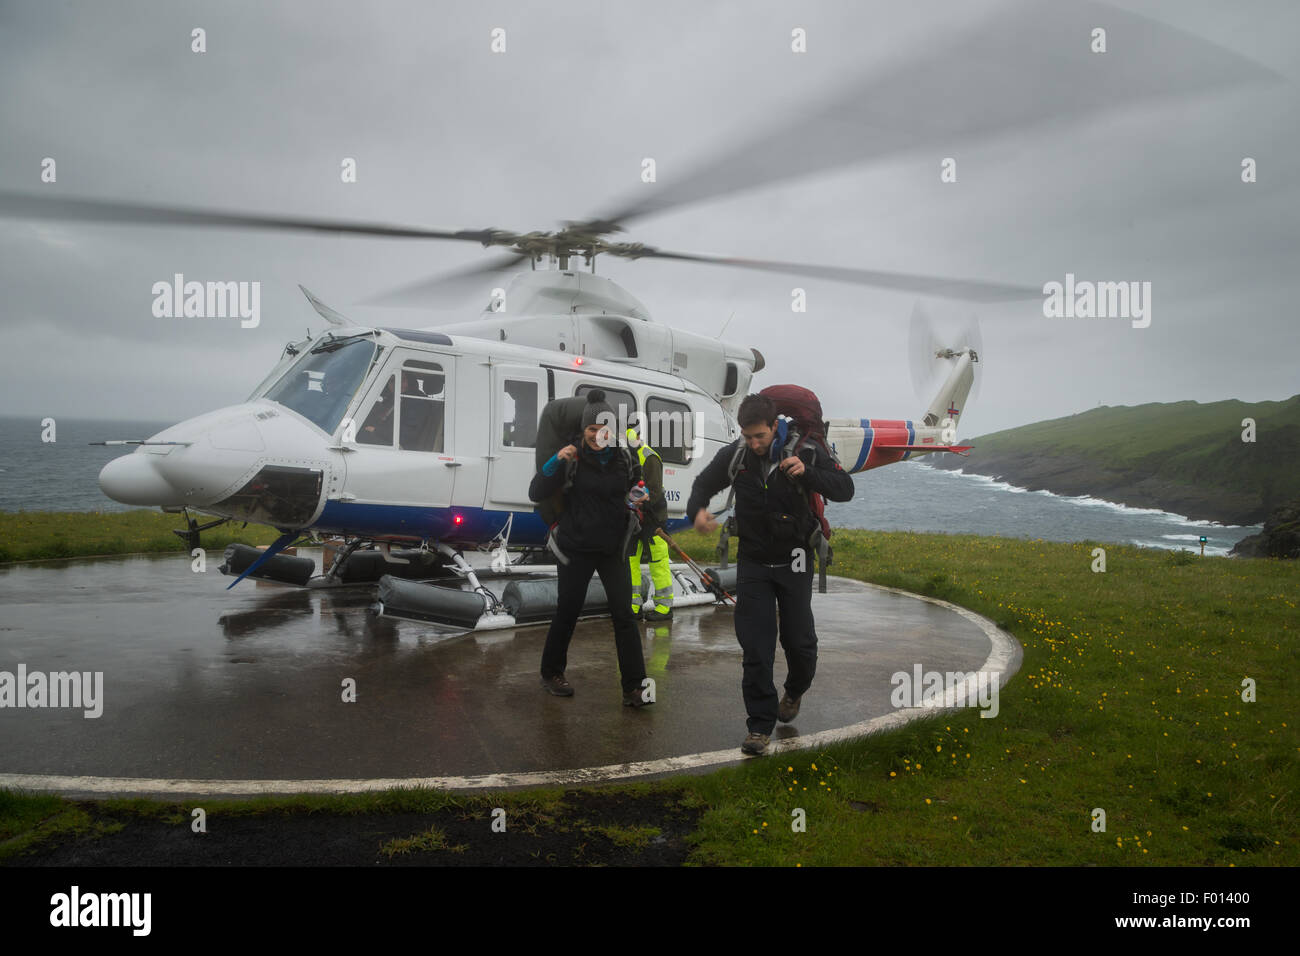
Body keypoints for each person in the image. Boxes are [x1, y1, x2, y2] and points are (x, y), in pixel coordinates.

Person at [686, 393, 854, 755]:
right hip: (754, 562)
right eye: (748, 437)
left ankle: (794, 690)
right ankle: (759, 727)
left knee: (800, 642)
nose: (754, 444)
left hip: (795, 557)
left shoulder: (806, 451)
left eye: (760, 436)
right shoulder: (737, 455)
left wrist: (808, 472)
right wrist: (696, 512)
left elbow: (846, 489)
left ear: (775, 426)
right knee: (756, 648)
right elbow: (702, 484)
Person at [528, 391, 651, 707]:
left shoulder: (625, 458)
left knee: (624, 614)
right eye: (591, 429)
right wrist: (556, 461)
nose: (598, 435)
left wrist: (640, 496)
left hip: (613, 548)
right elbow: (536, 491)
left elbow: (635, 489)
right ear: (583, 430)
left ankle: (634, 687)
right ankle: (551, 673)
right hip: (575, 548)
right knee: (568, 611)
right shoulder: (571, 457)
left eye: (603, 428)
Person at [625, 426, 673, 621]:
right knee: (630, 560)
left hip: (653, 519)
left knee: (658, 561)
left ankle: (664, 606)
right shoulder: (624, 455)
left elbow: (654, 493)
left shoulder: (649, 457)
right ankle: (634, 605)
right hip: (633, 517)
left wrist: (637, 501)